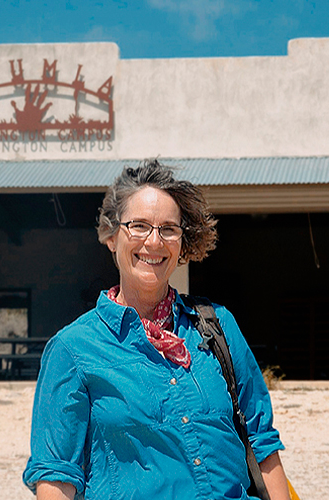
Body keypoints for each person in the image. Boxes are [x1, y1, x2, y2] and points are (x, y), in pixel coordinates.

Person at [23, 159, 291, 500]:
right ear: (110, 236)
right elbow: (56, 477)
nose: (154, 241)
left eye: (168, 229)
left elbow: (261, 441)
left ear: (182, 242)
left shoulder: (219, 326)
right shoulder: (72, 350)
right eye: (138, 226)